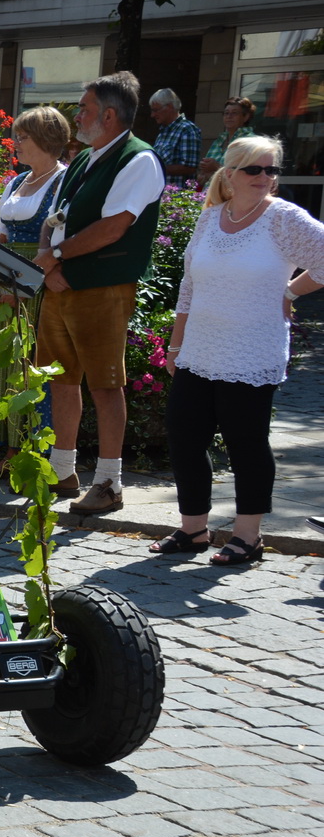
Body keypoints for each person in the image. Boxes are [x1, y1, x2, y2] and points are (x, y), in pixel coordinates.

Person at [150, 137, 324, 567]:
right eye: (254, 170)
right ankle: (193, 529)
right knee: (184, 435)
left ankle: (248, 536)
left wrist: (291, 289)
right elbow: (189, 287)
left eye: (272, 170)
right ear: (229, 174)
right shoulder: (210, 219)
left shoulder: (284, 219)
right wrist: (176, 343)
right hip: (201, 346)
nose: (265, 178)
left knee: (245, 441)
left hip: (252, 349)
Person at [34, 71, 165, 516]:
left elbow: (113, 228)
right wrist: (47, 264)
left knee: (106, 384)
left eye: (84, 108)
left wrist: (56, 258)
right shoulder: (88, 159)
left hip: (103, 287)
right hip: (64, 286)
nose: (77, 115)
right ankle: (63, 469)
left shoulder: (138, 159)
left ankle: (109, 482)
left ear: (109, 115)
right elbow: (54, 220)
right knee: (60, 377)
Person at [0, 105, 70, 478]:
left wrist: (21, 288)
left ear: (45, 140)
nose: (15, 143)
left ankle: (31, 455)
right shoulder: (15, 183)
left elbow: (58, 243)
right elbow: (0, 234)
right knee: (2, 369)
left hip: (37, 285)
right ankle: (9, 451)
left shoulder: (63, 182)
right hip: (5, 284)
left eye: (23, 137)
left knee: (29, 371)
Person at [198, 96, 256, 182]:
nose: (229, 116)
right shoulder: (219, 141)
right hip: (212, 193)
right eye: (226, 113)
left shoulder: (250, 141)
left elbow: (248, 175)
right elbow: (207, 176)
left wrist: (216, 167)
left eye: (234, 113)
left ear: (246, 117)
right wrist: (203, 176)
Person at [149, 88, 199, 182]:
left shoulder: (187, 129)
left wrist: (156, 167)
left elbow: (190, 168)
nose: (152, 115)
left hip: (177, 195)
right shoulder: (163, 132)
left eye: (155, 110)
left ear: (170, 107)